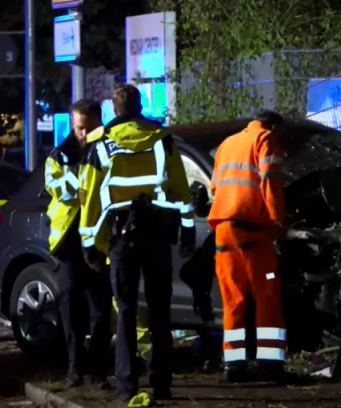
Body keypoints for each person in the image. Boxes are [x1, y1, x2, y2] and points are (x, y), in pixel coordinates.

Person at [78, 84, 196, 401]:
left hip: (121, 239)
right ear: (140, 105)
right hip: (158, 235)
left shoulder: (101, 145)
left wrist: (89, 244)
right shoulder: (162, 140)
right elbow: (180, 190)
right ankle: (161, 383)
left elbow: (89, 199)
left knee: (127, 312)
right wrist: (188, 232)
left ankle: (126, 386)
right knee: (160, 311)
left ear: (114, 110)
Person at [207, 111, 287, 383]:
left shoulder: (227, 144)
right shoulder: (265, 138)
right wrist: (278, 222)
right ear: (273, 127)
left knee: (233, 300)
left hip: (223, 234)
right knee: (268, 294)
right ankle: (270, 363)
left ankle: (234, 366)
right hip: (254, 236)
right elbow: (270, 183)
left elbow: (215, 187)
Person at [44, 99, 113, 389]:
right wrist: (87, 183)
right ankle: (74, 368)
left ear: (99, 122)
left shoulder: (109, 150)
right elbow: (62, 190)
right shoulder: (60, 156)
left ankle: (97, 371)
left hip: (98, 241)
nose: (83, 134)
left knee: (100, 310)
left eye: (88, 127)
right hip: (70, 242)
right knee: (70, 307)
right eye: (79, 128)